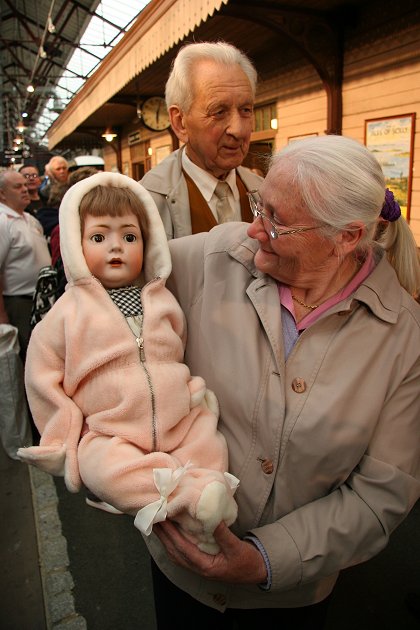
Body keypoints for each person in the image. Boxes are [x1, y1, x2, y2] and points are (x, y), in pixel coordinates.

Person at [144, 135, 420, 629]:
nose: (254, 229)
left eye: (276, 219)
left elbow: (381, 495)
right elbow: (105, 282)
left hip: (287, 598)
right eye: (259, 205)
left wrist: (264, 561)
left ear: (347, 237)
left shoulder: (404, 339)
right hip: (179, 569)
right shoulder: (213, 258)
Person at [17, 171, 239, 552]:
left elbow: (178, 349)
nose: (116, 248)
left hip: (178, 416)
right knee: (101, 468)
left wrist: (190, 392)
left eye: (130, 237)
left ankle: (206, 503)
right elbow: (42, 376)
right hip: (110, 429)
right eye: (99, 237)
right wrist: (62, 435)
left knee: (208, 438)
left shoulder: (163, 299)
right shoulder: (67, 313)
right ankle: (190, 500)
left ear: (148, 242)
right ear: (75, 244)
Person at [141, 41, 263, 239]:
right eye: (219, 112)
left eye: (246, 110)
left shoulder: (265, 193)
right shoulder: (145, 203)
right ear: (180, 122)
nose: (239, 130)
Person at [0, 170, 51, 358]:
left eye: (24, 185)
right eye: (17, 186)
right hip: (18, 302)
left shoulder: (30, 219)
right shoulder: (3, 221)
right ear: (2, 194)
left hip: (41, 298)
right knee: (29, 355)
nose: (25, 190)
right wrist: (2, 316)